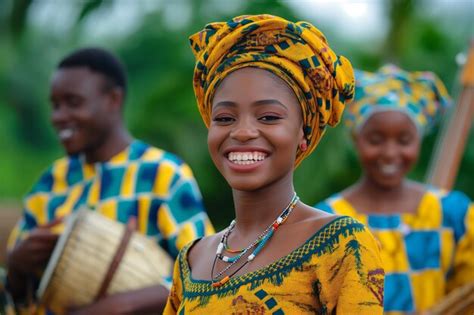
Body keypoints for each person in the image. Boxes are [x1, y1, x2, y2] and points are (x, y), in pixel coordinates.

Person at [164, 14, 385, 314]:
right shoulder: (192, 260)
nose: (242, 132)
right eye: (225, 118)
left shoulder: (340, 245)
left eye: (268, 117)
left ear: (303, 135)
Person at [6, 47, 214, 314]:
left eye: (73, 102)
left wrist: (118, 306)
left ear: (113, 100)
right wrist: (16, 267)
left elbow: (204, 273)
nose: (58, 117)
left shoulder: (162, 174)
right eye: (55, 105)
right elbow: (16, 299)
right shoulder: (49, 185)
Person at [316, 65, 474, 314]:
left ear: (419, 140)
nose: (390, 153)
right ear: (356, 139)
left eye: (404, 140)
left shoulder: (454, 214)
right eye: (376, 140)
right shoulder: (327, 222)